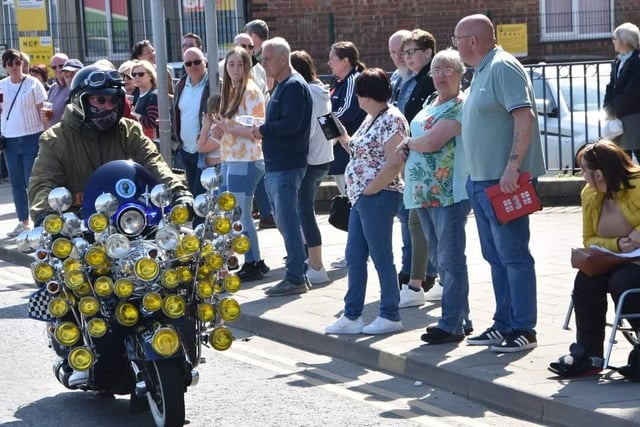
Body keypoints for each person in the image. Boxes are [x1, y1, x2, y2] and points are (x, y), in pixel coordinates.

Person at [454, 14, 546, 352]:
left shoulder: (503, 67)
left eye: (457, 39)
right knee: (496, 257)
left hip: (502, 182)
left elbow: (523, 116)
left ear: (472, 41)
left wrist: (512, 168)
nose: (456, 45)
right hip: (481, 182)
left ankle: (523, 328)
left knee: (514, 255)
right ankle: (504, 323)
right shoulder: (482, 70)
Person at [29, 64, 190, 224]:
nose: (109, 106)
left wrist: (178, 192)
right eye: (100, 100)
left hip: (130, 219)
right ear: (80, 101)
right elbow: (43, 183)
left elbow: (153, 163)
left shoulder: (129, 131)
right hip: (78, 225)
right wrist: (45, 215)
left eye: (114, 100)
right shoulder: (55, 138)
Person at [324, 68, 408, 335]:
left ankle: (390, 314)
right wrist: (340, 135)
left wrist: (372, 189)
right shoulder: (372, 118)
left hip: (378, 196)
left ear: (367, 95)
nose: (357, 97)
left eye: (360, 92)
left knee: (382, 256)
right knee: (355, 256)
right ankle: (352, 315)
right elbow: (360, 150)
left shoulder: (391, 119)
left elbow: (395, 160)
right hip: (363, 197)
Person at [397, 49, 472, 344]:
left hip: (449, 192)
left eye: (448, 69)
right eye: (436, 70)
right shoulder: (431, 101)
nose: (441, 75)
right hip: (423, 192)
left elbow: (432, 141)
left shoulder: (460, 105)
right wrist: (410, 145)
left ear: (460, 73)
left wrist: (408, 142)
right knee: (439, 259)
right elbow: (420, 140)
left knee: (450, 259)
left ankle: (451, 323)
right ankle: (461, 318)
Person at [549, 139, 640, 377]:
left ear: (599, 174)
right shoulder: (589, 194)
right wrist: (617, 243)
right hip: (615, 257)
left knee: (623, 282)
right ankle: (588, 355)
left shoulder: (638, 185)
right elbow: (589, 239)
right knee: (586, 280)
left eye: (584, 171)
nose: (582, 176)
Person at [250, 37, 312, 296]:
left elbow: (290, 125)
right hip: (278, 164)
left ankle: (296, 276)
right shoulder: (283, 86)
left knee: (287, 220)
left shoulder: (294, 86)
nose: (263, 63)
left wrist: (262, 129)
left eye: (266, 58)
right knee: (284, 220)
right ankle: (295, 273)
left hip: (287, 164)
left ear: (282, 59)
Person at [212, 46, 269, 282]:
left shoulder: (251, 92)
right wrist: (220, 129)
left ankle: (254, 261)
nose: (235, 69)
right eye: (231, 64)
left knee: (240, 213)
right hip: (231, 158)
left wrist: (226, 127)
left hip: (246, 159)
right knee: (234, 214)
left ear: (248, 67)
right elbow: (231, 128)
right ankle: (251, 259)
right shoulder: (232, 90)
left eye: (240, 64)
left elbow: (256, 131)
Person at [388, 29, 437, 304]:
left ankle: (419, 275)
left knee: (417, 220)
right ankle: (416, 273)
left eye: (411, 52)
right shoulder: (407, 78)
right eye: (403, 53)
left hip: (424, 158)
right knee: (411, 219)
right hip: (409, 155)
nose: (405, 58)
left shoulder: (429, 79)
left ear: (427, 53)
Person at [291, 50, 334, 285]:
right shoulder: (321, 90)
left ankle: (316, 266)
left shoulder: (305, 93)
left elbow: (307, 129)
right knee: (307, 213)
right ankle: (312, 261)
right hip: (324, 158)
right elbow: (328, 125)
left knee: (305, 213)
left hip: (310, 160)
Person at [327, 41, 367, 269]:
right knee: (349, 203)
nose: (329, 62)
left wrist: (322, 123)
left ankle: (357, 252)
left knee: (353, 204)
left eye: (333, 58)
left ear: (345, 61)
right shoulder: (338, 82)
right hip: (339, 152)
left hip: (349, 153)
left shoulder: (353, 80)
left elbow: (345, 113)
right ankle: (354, 250)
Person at [0, 49, 47, 237]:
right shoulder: (1, 86)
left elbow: (43, 111)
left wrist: (45, 135)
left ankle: (38, 220)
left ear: (23, 65)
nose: (14, 67)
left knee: (32, 180)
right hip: (9, 139)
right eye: (10, 64)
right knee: (16, 182)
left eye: (17, 63)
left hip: (31, 136)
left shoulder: (33, 84)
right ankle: (22, 221)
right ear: (5, 67)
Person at [243, 20, 274, 229]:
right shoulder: (227, 67)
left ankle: (265, 212)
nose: (245, 50)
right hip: (243, 130)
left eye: (248, 45)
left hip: (257, 128)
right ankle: (260, 211)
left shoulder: (261, 66)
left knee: (259, 171)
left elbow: (266, 94)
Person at [173, 47, 210, 197]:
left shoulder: (214, 85)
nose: (193, 66)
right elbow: (175, 112)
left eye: (197, 62)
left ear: (205, 62)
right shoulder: (180, 85)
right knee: (194, 193)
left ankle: (199, 221)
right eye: (188, 63)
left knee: (200, 192)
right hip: (186, 149)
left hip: (206, 149)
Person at [603, 22, 640, 162]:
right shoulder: (618, 61)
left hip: (633, 115)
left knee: (636, 150)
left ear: (625, 40)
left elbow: (631, 92)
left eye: (615, 38)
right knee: (622, 156)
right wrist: (607, 108)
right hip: (619, 116)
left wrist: (613, 109)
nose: (613, 41)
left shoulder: (637, 61)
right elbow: (611, 86)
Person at [130, 59, 159, 140]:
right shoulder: (139, 94)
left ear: (150, 76)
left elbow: (151, 122)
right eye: (134, 74)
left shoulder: (153, 96)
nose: (136, 77)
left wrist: (134, 114)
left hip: (153, 141)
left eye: (141, 74)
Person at [46, 52, 70, 126]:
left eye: (61, 66)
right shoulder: (53, 88)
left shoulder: (71, 87)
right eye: (54, 67)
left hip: (67, 133)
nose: (57, 69)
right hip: (53, 133)